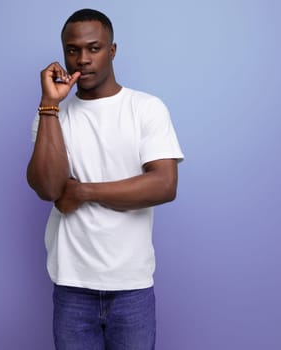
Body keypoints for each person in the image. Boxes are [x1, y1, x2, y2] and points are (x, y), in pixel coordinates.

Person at [26, 8, 184, 350]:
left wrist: (82, 191)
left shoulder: (146, 108)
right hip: (71, 284)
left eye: (94, 48)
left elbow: (164, 184)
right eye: (73, 50)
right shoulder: (52, 115)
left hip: (131, 287)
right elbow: (48, 188)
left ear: (112, 50)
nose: (82, 59)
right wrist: (48, 103)